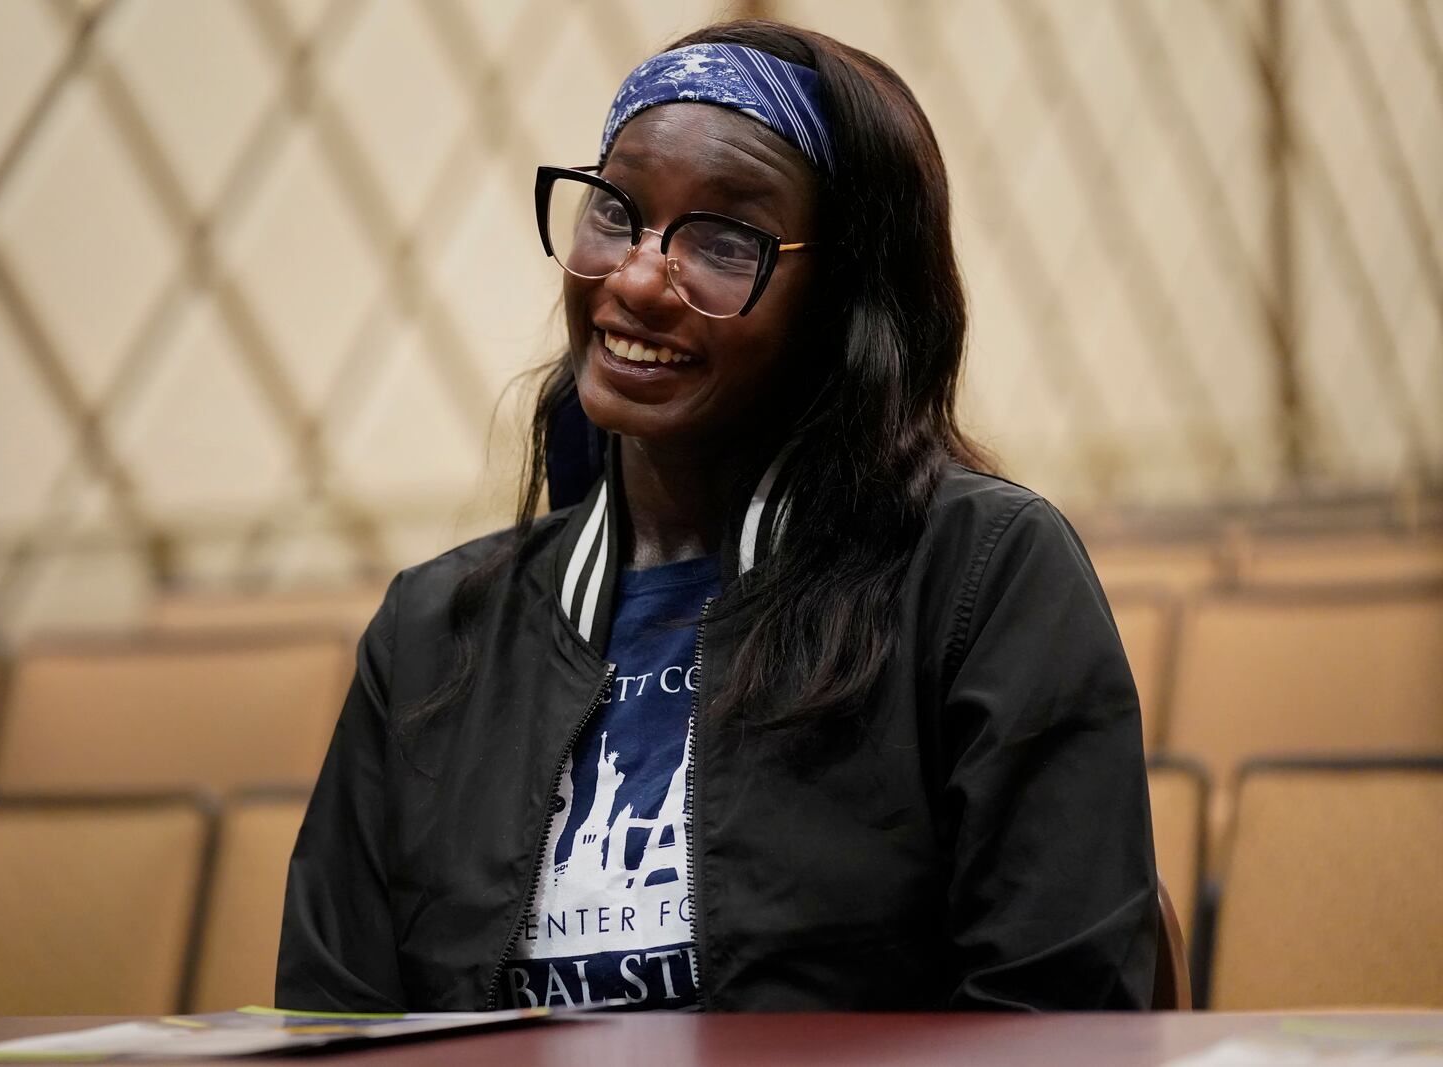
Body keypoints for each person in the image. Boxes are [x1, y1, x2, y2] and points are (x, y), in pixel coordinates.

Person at [276, 19, 1157, 1014]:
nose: (641, 277)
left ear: (846, 299)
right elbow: (328, 1026)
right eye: (616, 210)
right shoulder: (433, 635)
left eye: (725, 239)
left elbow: (1058, 1016)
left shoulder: (979, 577)